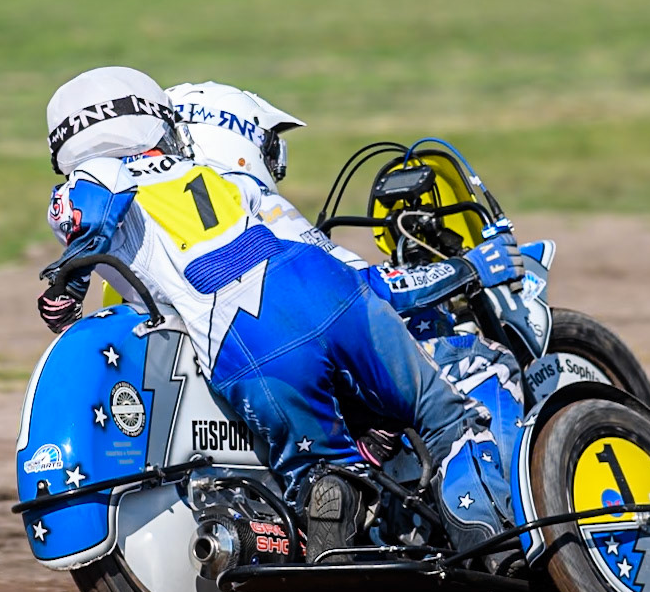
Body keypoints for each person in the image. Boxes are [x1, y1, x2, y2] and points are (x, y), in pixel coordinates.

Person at [39, 66, 521, 566]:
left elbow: (89, 213)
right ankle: (488, 538)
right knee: (450, 414)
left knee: (318, 468)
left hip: (245, 338)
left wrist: (69, 282)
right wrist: (466, 267)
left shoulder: (85, 183)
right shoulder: (214, 177)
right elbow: (355, 273)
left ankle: (331, 521)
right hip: (324, 289)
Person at [165, 80, 525, 461]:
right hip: (297, 372)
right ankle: (504, 513)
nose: (275, 163)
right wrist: (468, 267)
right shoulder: (240, 197)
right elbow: (360, 292)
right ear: (234, 138)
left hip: (216, 387)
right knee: (488, 362)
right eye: (269, 146)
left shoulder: (155, 212)